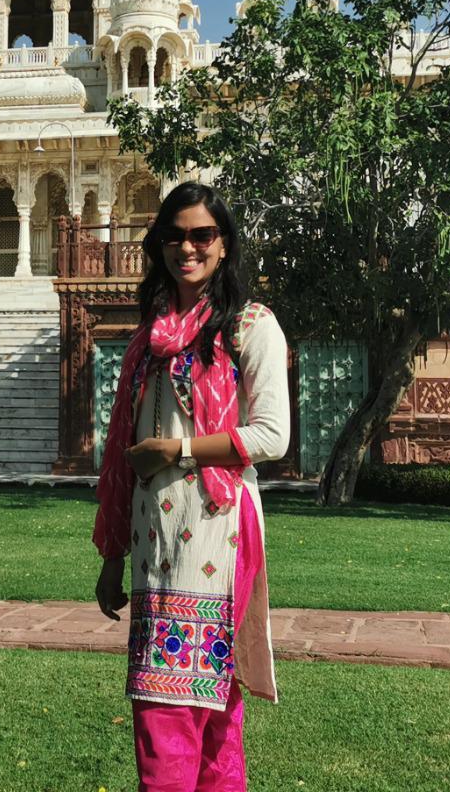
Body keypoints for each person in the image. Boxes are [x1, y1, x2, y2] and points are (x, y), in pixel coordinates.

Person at [92, 181, 290, 792]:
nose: (187, 247)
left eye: (202, 235)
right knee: (169, 705)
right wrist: (112, 557)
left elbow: (271, 436)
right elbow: (126, 455)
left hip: (218, 532)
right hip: (156, 541)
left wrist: (177, 450)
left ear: (224, 245)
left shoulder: (250, 326)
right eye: (174, 236)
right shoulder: (151, 339)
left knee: (197, 712)